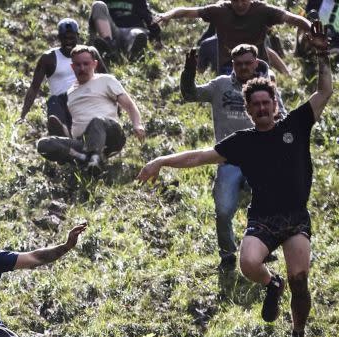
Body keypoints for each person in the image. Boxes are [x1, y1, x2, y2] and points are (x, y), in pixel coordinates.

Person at [136, 22, 332, 337]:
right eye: (254, 105)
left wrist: (322, 54)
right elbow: (199, 156)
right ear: (248, 109)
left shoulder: (296, 125)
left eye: (265, 103)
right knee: (248, 264)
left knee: (301, 282)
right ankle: (272, 284)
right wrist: (161, 160)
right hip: (264, 217)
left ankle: (298, 335)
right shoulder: (243, 142)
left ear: (274, 103)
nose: (260, 109)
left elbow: (324, 91)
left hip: (296, 218)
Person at [180, 43, 282, 270]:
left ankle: (262, 250)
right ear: (232, 64)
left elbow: (282, 117)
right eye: (239, 64)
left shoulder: (266, 87)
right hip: (229, 159)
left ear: (256, 63)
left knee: (267, 206)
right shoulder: (221, 85)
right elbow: (190, 94)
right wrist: (189, 72)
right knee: (224, 210)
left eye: (248, 63)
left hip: (262, 159)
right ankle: (227, 255)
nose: (244, 67)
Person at [35, 45, 145, 168]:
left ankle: (92, 160)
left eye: (86, 64)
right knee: (44, 144)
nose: (82, 68)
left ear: (94, 64)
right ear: (72, 67)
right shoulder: (71, 92)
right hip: (84, 143)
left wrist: (137, 124)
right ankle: (86, 158)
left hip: (111, 134)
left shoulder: (106, 80)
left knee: (97, 121)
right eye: (77, 65)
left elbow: (129, 105)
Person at [155, 0, 311, 74]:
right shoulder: (220, 10)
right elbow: (189, 11)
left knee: (268, 103)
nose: (240, 5)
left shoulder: (263, 10)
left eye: (244, 0)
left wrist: (313, 31)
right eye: (236, 0)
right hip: (229, 67)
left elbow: (294, 19)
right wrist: (168, 14)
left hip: (259, 67)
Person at [20, 18, 108, 135]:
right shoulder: (49, 58)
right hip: (62, 104)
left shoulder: (89, 53)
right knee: (54, 101)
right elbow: (34, 87)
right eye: (64, 38)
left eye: (72, 38)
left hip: (86, 99)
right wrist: (23, 114)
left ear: (78, 36)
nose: (68, 42)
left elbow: (106, 80)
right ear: (59, 38)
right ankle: (61, 130)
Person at [88, 0, 162, 61]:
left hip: (133, 30)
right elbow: (95, 16)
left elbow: (148, 17)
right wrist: (92, 38)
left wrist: (156, 37)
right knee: (97, 5)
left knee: (138, 34)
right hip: (113, 31)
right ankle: (109, 47)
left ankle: (132, 52)